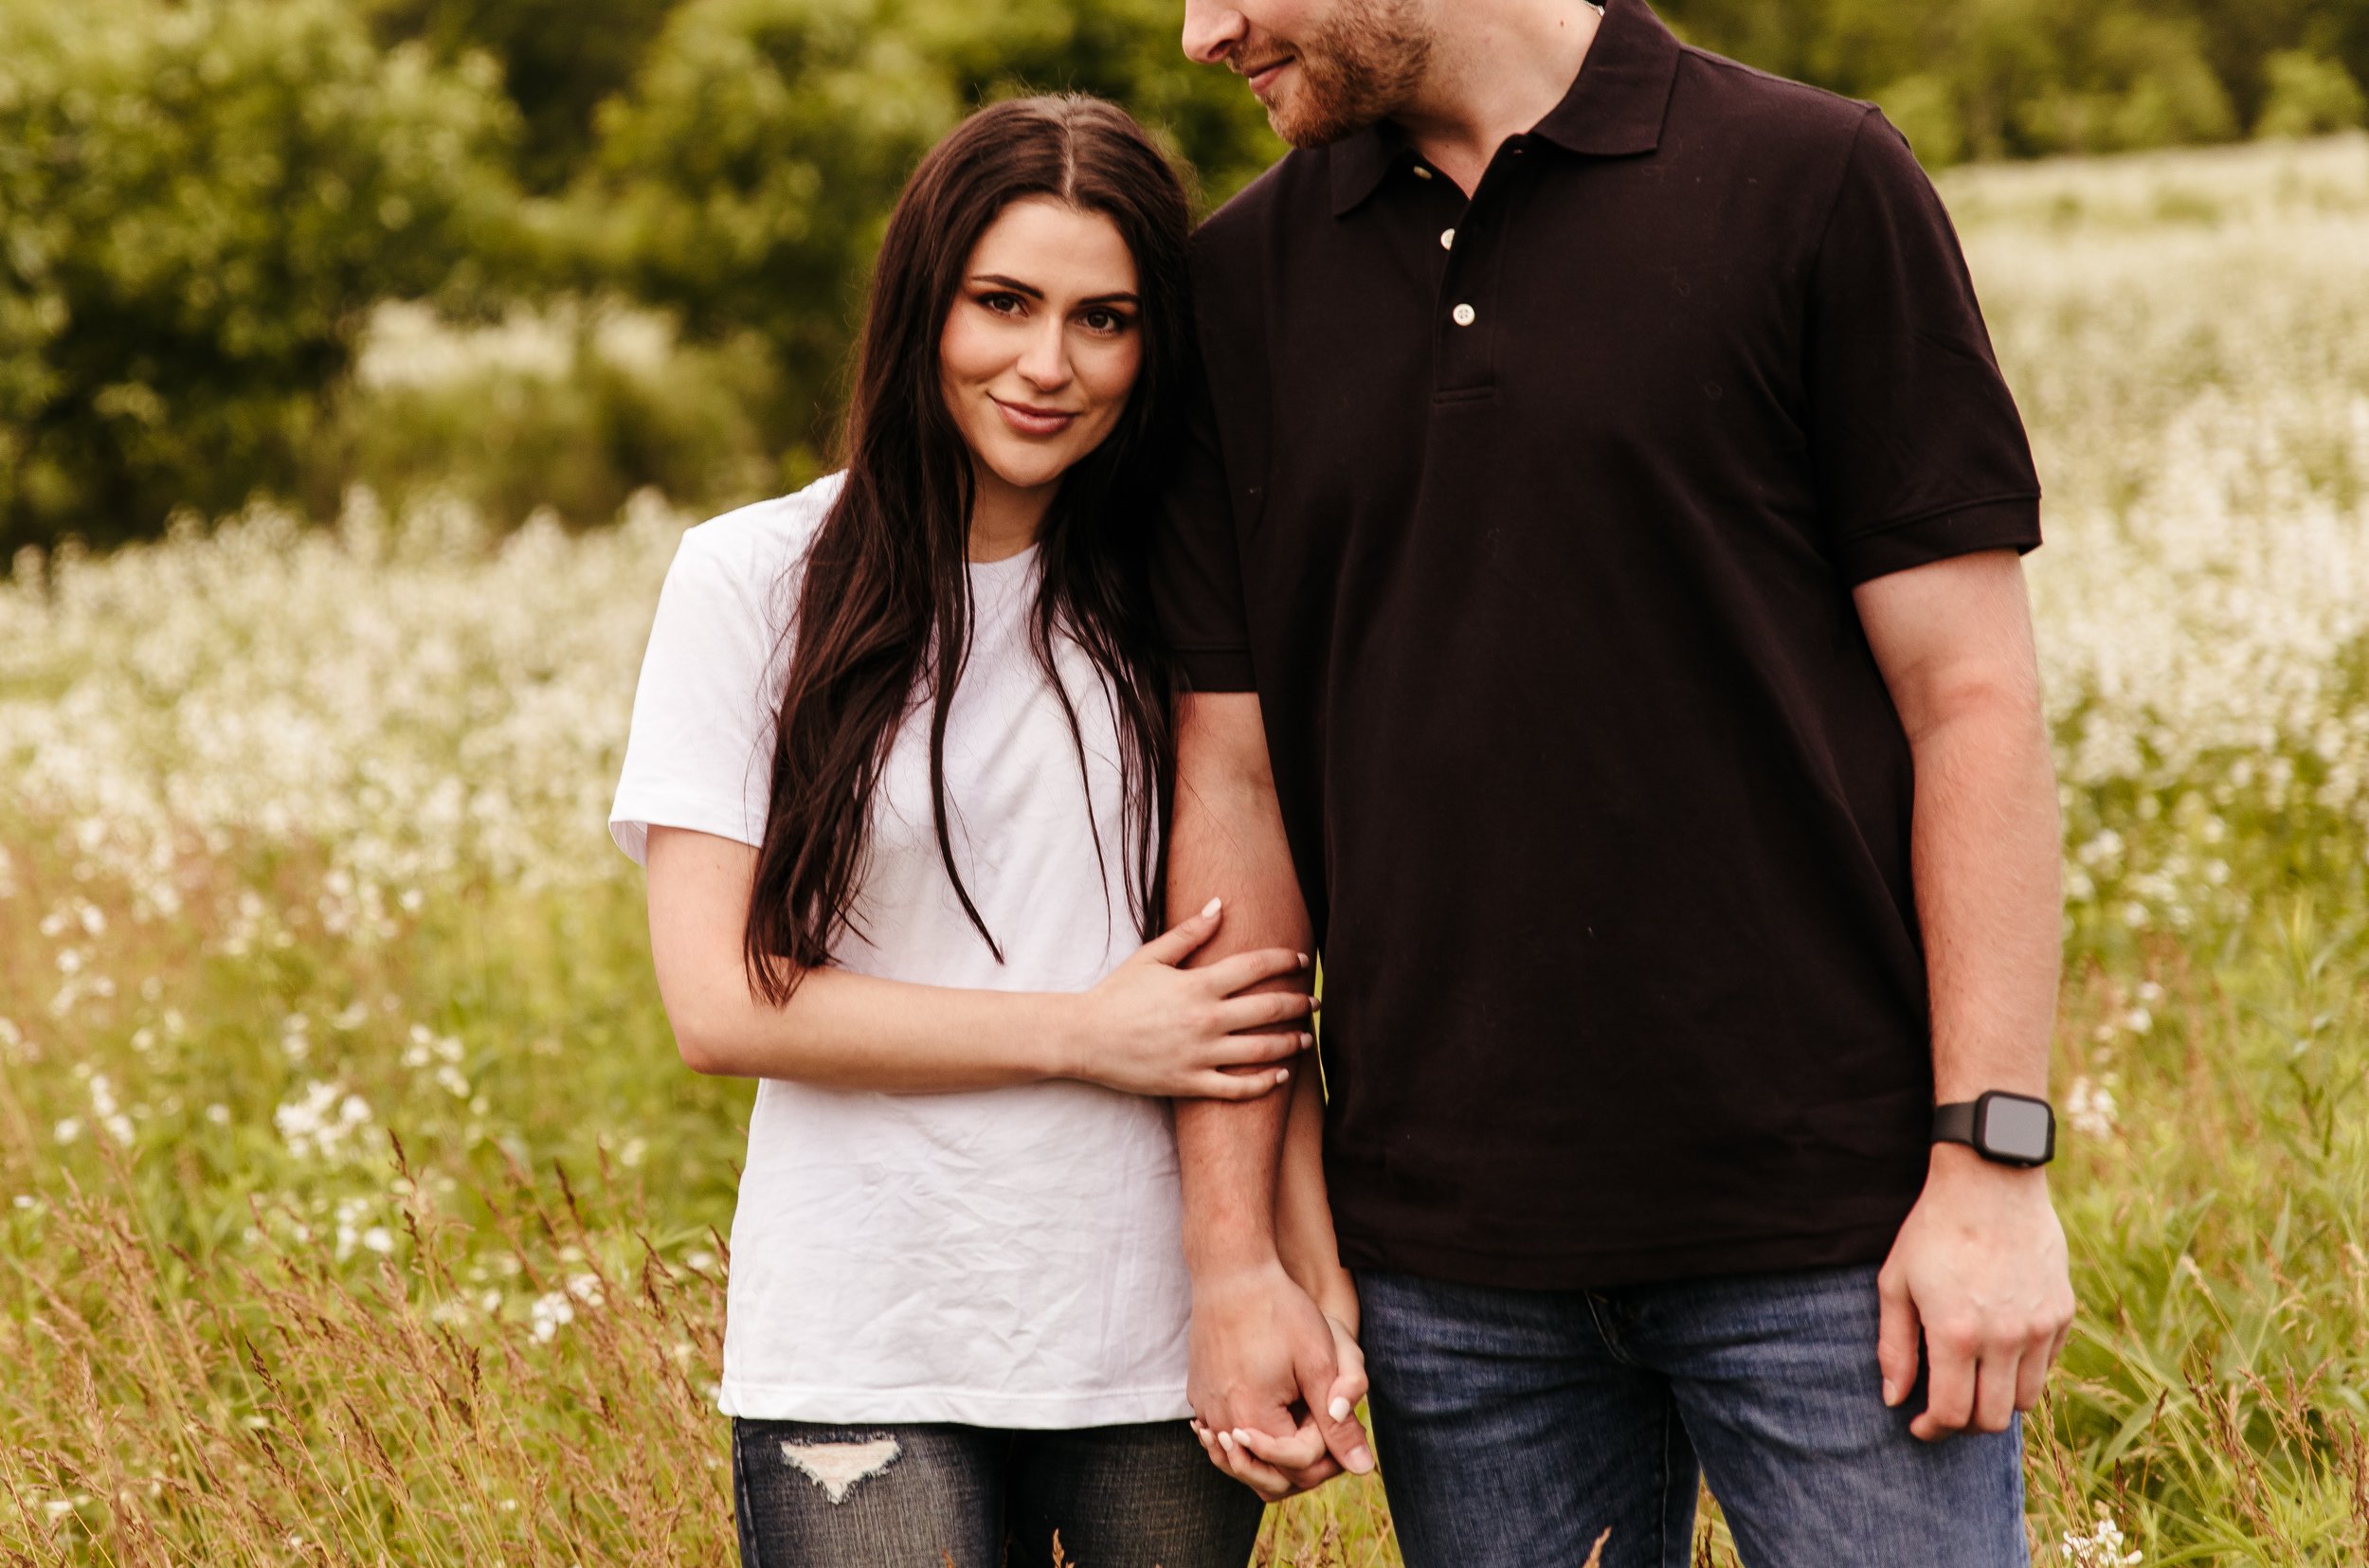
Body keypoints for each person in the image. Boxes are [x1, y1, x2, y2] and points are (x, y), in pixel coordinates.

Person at [1157, 1, 2078, 1564]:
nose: (1202, 33)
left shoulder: (1817, 182)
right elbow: (1233, 786)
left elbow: (1971, 700)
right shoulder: (1234, 288)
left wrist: (1989, 1162)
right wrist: (1233, 1254)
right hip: (1452, 1289)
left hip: (1837, 1246)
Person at [608, 95, 1298, 1568]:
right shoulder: (752, 581)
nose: (1048, 365)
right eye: (1004, 304)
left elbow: (1252, 989)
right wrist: (1082, 1033)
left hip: (1151, 1343)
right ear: (924, 304)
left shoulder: (1191, 603)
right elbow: (721, 1002)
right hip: (867, 1340)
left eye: (1104, 319)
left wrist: (1304, 1267)